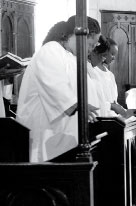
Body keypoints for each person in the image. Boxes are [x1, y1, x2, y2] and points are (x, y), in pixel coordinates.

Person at [16, 15, 101, 162]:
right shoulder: (50, 50)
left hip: (58, 134)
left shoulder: (68, 56)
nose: (91, 50)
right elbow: (56, 86)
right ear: (77, 35)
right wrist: (79, 105)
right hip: (42, 132)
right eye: (91, 44)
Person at [89, 36, 126, 116]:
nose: (113, 58)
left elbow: (114, 99)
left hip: (112, 115)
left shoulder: (110, 75)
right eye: (112, 54)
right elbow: (94, 99)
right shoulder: (92, 71)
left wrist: (117, 107)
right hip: (100, 115)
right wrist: (111, 106)